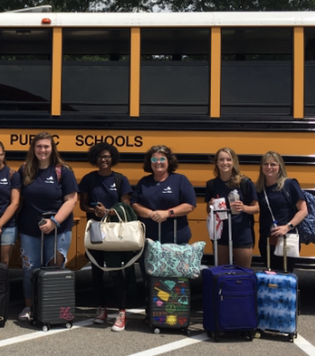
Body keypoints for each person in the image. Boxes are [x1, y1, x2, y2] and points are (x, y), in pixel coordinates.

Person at [16, 132, 78, 322]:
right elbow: (18, 200)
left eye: (46, 146)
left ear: (52, 149)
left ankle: (53, 306)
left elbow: (71, 199)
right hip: (30, 229)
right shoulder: (25, 170)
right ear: (33, 149)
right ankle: (29, 307)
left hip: (59, 229)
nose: (42, 150)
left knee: (55, 268)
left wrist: (54, 222)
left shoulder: (63, 171)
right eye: (39, 146)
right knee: (30, 269)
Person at [78, 142, 133, 331]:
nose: (104, 160)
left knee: (117, 271)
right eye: (101, 156)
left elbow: (126, 205)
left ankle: (122, 312)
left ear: (113, 158)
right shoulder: (89, 179)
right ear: (95, 158)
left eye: (107, 157)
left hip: (115, 230)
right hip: (95, 229)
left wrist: (109, 212)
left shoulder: (120, 179)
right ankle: (101, 308)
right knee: (96, 270)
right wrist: (95, 210)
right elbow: (82, 205)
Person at [131, 144, 197, 246]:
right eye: (154, 159)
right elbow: (134, 204)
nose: (158, 162)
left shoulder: (180, 180)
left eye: (162, 159)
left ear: (169, 161)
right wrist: (151, 214)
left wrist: (168, 213)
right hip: (148, 239)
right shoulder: (144, 182)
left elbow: (190, 204)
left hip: (175, 237)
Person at [205, 147, 258, 269]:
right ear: (217, 163)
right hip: (221, 233)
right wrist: (211, 206)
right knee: (222, 272)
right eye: (221, 160)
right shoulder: (212, 184)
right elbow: (209, 211)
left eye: (228, 159)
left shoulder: (245, 182)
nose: (225, 163)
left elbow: (256, 208)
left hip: (242, 232)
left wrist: (243, 207)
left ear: (234, 162)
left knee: (243, 272)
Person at [256, 151, 308, 272]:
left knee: (285, 275)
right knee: (270, 275)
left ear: (280, 166)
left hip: (286, 238)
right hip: (267, 239)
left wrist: (287, 227)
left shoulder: (290, 185)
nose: (269, 167)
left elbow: (303, 210)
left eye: (273, 164)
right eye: (266, 164)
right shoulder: (259, 188)